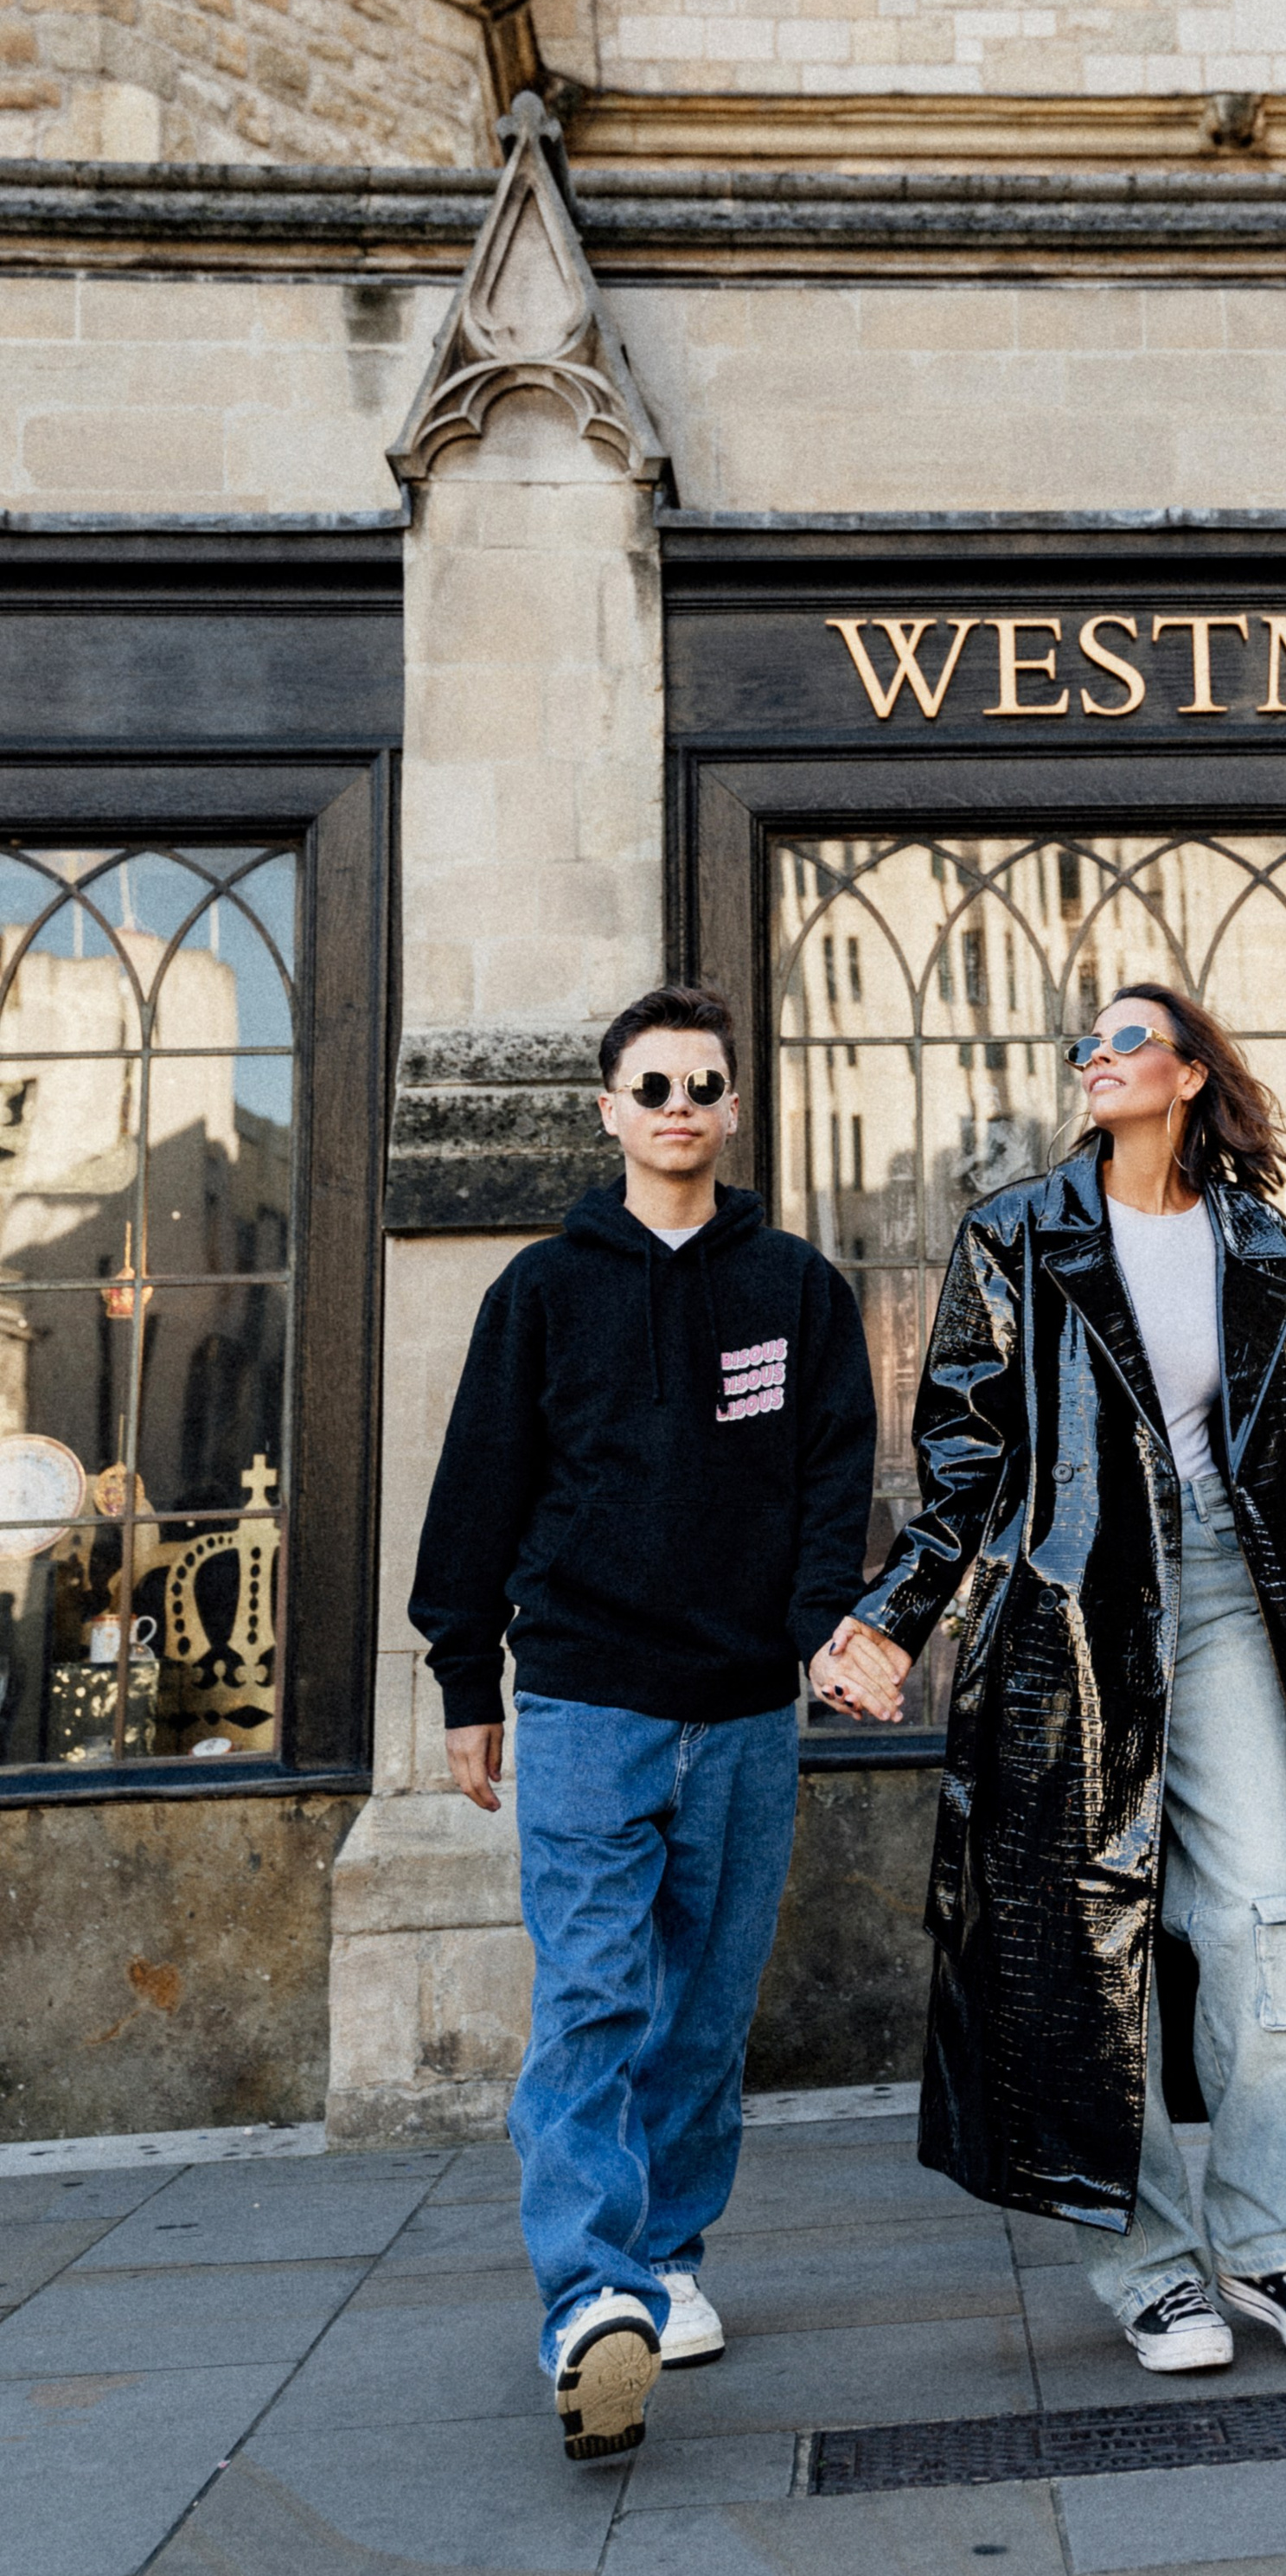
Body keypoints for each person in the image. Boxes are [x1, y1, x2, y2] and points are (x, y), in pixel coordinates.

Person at [817, 984, 1286, 2372]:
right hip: (1072, 1608)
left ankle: (1271, 2240)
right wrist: (892, 1617)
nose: (1096, 1059)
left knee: (1276, 1914)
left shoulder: (1257, 1241)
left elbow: (1273, 1437)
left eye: (1127, 1041)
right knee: (1087, 1931)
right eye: (1086, 1047)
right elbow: (962, 1451)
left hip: (1232, 1595)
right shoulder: (1017, 1233)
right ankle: (1151, 2266)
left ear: (1189, 1074)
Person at [409, 983, 893, 2462]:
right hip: (585, 1703)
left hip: (744, 1710)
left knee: (703, 2008)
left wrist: (821, 1630)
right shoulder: (543, 1292)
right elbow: (477, 1489)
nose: (680, 1108)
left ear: (733, 1110)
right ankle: (588, 2297)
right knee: (596, 1997)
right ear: (610, 1112)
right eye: (654, 1087)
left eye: (704, 1086)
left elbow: (833, 1485)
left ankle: (668, 2254)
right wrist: (462, 1682)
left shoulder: (796, 1289)